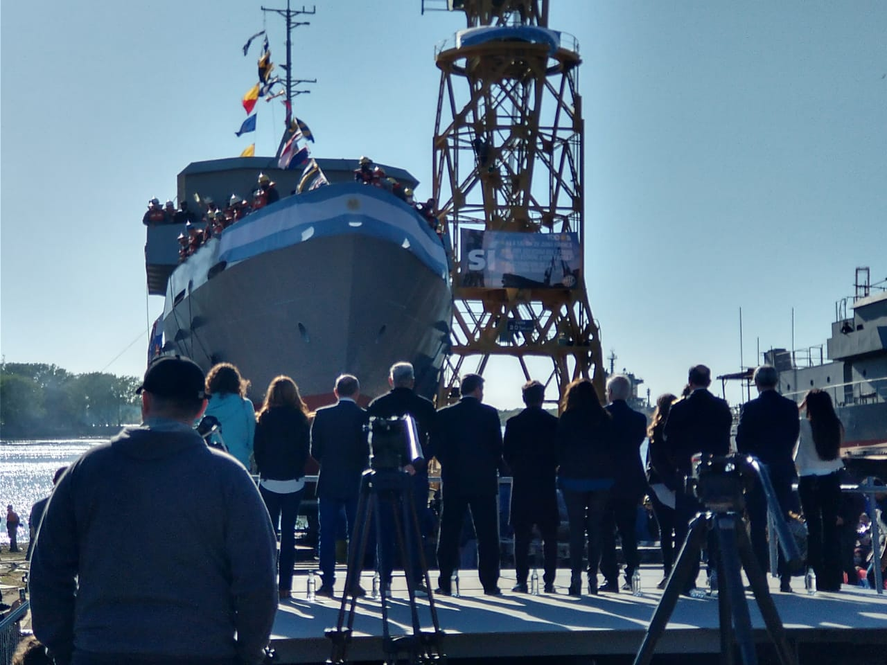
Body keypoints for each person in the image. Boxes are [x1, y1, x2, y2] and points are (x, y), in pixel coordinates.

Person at [29, 355, 278, 665]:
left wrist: (65, 650)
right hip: (205, 652)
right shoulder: (231, 478)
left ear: (145, 402)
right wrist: (249, 654)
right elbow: (259, 581)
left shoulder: (85, 471)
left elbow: (47, 572)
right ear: (202, 408)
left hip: (100, 652)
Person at [367, 362, 436, 596]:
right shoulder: (425, 406)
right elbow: (434, 440)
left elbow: (372, 442)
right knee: (415, 528)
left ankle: (384, 581)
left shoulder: (377, 405)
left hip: (386, 474)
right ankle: (415, 580)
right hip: (415, 475)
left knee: (384, 527)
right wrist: (417, 464)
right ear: (413, 381)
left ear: (391, 380)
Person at [663, 364, 732, 593]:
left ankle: (686, 578)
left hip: (687, 474)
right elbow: (724, 441)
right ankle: (716, 573)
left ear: (689, 381)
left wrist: (679, 464)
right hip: (715, 473)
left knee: (685, 528)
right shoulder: (721, 407)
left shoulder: (679, 408)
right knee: (715, 525)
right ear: (709, 382)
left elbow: (669, 441)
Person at [433, 373, 504, 596]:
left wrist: (450, 465)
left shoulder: (444, 415)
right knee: (487, 533)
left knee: (449, 531)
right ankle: (490, 583)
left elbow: (437, 447)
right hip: (483, 481)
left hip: (454, 481)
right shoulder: (490, 414)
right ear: (477, 390)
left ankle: (445, 580)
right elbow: (497, 448)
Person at [735, 365, 801, 592]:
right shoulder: (791, 407)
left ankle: (759, 576)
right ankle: (785, 578)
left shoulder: (750, 408)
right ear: (776, 381)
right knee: (784, 523)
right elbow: (793, 435)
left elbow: (741, 440)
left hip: (757, 471)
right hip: (783, 468)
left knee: (757, 524)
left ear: (756, 383)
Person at [310, 374, 369, 597]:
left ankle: (327, 582)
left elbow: (315, 450)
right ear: (357, 392)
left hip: (329, 480)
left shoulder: (322, 415)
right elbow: (367, 452)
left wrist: (328, 463)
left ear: (336, 392)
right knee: (356, 533)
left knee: (327, 533)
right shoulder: (364, 416)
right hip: (356, 482)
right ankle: (353, 582)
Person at [254, 375, 312, 600]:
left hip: (269, 481)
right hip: (293, 482)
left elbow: (258, 451)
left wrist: (266, 470)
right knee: (289, 535)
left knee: (269, 535)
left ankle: (268, 582)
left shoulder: (264, 418)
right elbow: (303, 452)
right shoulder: (300, 418)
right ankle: (286, 586)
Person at [556, 378, 615, 596]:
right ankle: (593, 574)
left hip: (573, 479)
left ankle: (575, 577)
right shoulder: (605, 419)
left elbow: (559, 449)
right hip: (601, 480)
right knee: (596, 527)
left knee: (576, 528)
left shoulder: (567, 419)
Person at [503, 380, 559, 594]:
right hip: (545, 483)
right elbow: (559, 452)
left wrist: (518, 468)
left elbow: (507, 454)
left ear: (523, 399)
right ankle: (549, 582)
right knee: (550, 535)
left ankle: (521, 581)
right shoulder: (554, 423)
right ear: (542, 398)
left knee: (521, 536)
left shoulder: (513, 423)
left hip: (522, 483)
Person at [600, 374, 648, 592]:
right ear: (628, 393)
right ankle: (632, 574)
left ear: (609, 393)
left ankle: (610, 578)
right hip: (630, 479)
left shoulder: (600, 417)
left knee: (606, 531)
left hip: (605, 480)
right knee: (628, 531)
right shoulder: (639, 420)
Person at [795, 388, 845, 592]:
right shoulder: (836, 425)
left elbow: (791, 417)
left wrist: (801, 406)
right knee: (831, 530)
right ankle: (834, 579)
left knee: (813, 530)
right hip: (832, 480)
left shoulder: (804, 425)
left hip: (809, 480)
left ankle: (815, 575)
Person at [645, 393, 679, 589]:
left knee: (664, 531)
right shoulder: (679, 430)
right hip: (678, 484)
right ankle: (683, 570)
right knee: (682, 529)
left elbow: (654, 461)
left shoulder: (655, 431)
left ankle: (668, 572)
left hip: (658, 485)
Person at [204, 362, 256, 469]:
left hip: (210, 464)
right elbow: (252, 441)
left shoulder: (204, 406)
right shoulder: (245, 405)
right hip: (239, 464)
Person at [26, 466, 68, 560]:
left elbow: (35, 536)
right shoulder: (79, 508)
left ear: (54, 481)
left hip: (44, 558)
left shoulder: (38, 507)